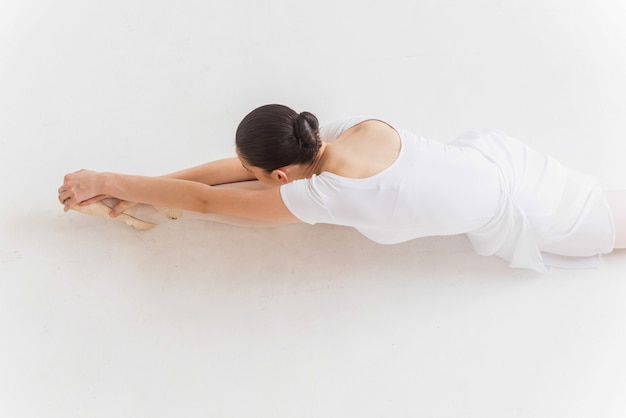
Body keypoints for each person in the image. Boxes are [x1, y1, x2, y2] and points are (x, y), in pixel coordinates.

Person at [58, 104, 625, 273]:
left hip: (528, 208)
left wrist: (108, 180)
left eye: (255, 174)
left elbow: (209, 199)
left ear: (281, 174)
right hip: (503, 165)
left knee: (612, 229)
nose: (242, 174)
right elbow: (221, 177)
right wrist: (146, 189)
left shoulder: (324, 195)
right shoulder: (349, 128)